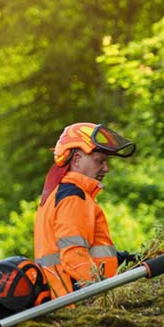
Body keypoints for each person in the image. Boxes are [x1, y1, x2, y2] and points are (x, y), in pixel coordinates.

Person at [34, 122, 137, 298]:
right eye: (99, 161)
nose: (106, 168)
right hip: (74, 300)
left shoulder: (61, 193)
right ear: (77, 160)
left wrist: (134, 260)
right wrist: (102, 294)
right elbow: (73, 256)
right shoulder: (72, 196)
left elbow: (94, 253)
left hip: (64, 297)